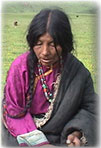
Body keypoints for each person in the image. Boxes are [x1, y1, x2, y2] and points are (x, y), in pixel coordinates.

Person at [2, 8, 97, 147]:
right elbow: (13, 113)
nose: (45, 52)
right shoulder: (20, 68)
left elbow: (91, 110)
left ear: (65, 44)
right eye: (39, 44)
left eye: (53, 44)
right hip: (20, 134)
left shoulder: (78, 72)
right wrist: (40, 143)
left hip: (62, 135)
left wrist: (76, 132)